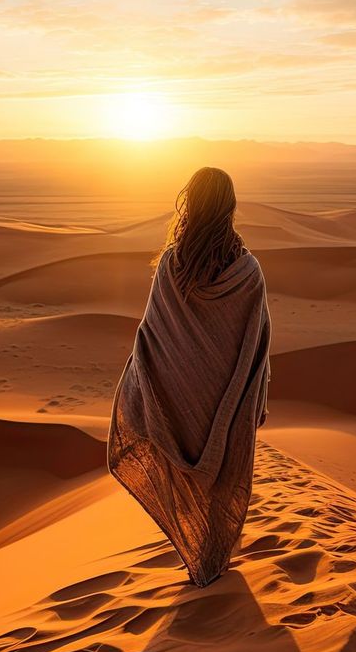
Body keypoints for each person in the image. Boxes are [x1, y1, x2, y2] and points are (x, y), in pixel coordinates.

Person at [108, 166, 272, 587]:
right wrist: (254, 401)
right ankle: (212, 562)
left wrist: (142, 394)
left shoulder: (171, 266)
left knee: (186, 487)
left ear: (191, 205)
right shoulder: (248, 272)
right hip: (226, 406)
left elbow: (150, 338)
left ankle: (200, 561)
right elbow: (256, 347)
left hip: (178, 407)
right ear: (230, 208)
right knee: (220, 486)